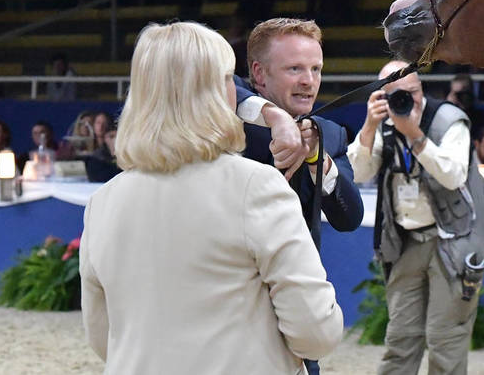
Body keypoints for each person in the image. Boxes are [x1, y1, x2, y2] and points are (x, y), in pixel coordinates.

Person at [79, 22, 343, 373]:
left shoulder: (103, 202)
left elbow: (104, 336)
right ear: (218, 91)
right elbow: (316, 332)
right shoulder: (256, 186)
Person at [347, 60, 484, 375]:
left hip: (453, 241)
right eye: (396, 94)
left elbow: (453, 176)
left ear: (421, 88)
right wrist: (369, 127)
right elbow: (360, 172)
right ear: (381, 96)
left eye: (412, 92)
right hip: (405, 241)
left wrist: (414, 135)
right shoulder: (382, 122)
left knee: (446, 339)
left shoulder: (449, 121)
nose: (407, 101)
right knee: (401, 338)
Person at [236, 18, 363, 254]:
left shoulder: (329, 134)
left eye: (316, 69)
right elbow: (216, 85)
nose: (308, 81)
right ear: (259, 73)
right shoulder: (229, 112)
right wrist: (274, 116)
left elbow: (350, 219)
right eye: (294, 68)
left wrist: (317, 158)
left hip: (295, 279)